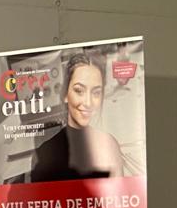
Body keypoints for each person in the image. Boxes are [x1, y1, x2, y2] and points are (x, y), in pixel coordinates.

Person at [30, 52, 125, 182]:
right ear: (65, 95)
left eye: (96, 92)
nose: (88, 102)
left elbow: (118, 197)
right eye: (79, 91)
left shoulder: (109, 145)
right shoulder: (44, 153)